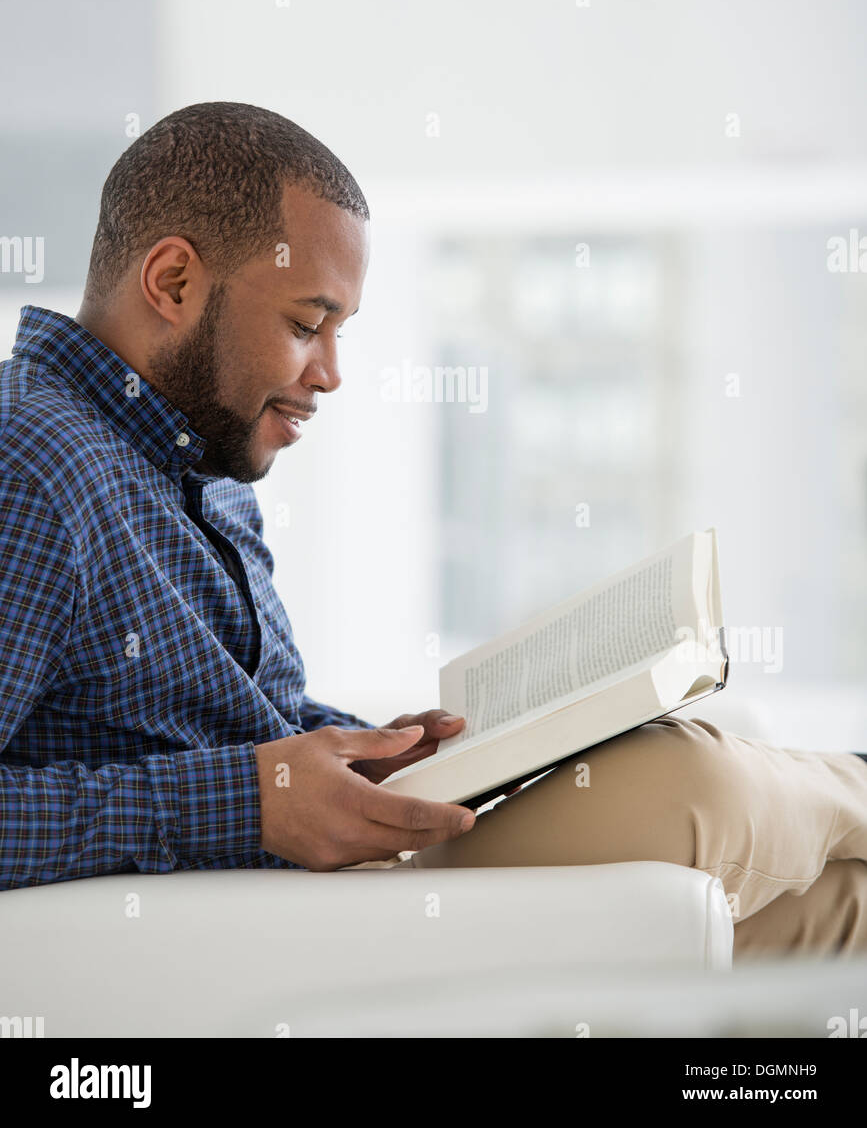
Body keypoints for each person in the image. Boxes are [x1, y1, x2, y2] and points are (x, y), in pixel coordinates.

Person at [1, 101, 865, 961]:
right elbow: (236, 777)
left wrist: (381, 751)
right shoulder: (29, 459)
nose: (331, 374)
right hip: (260, 918)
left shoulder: (201, 462)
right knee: (689, 783)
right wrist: (247, 803)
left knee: (833, 907)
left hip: (318, 876)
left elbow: (216, 722)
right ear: (174, 283)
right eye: (306, 325)